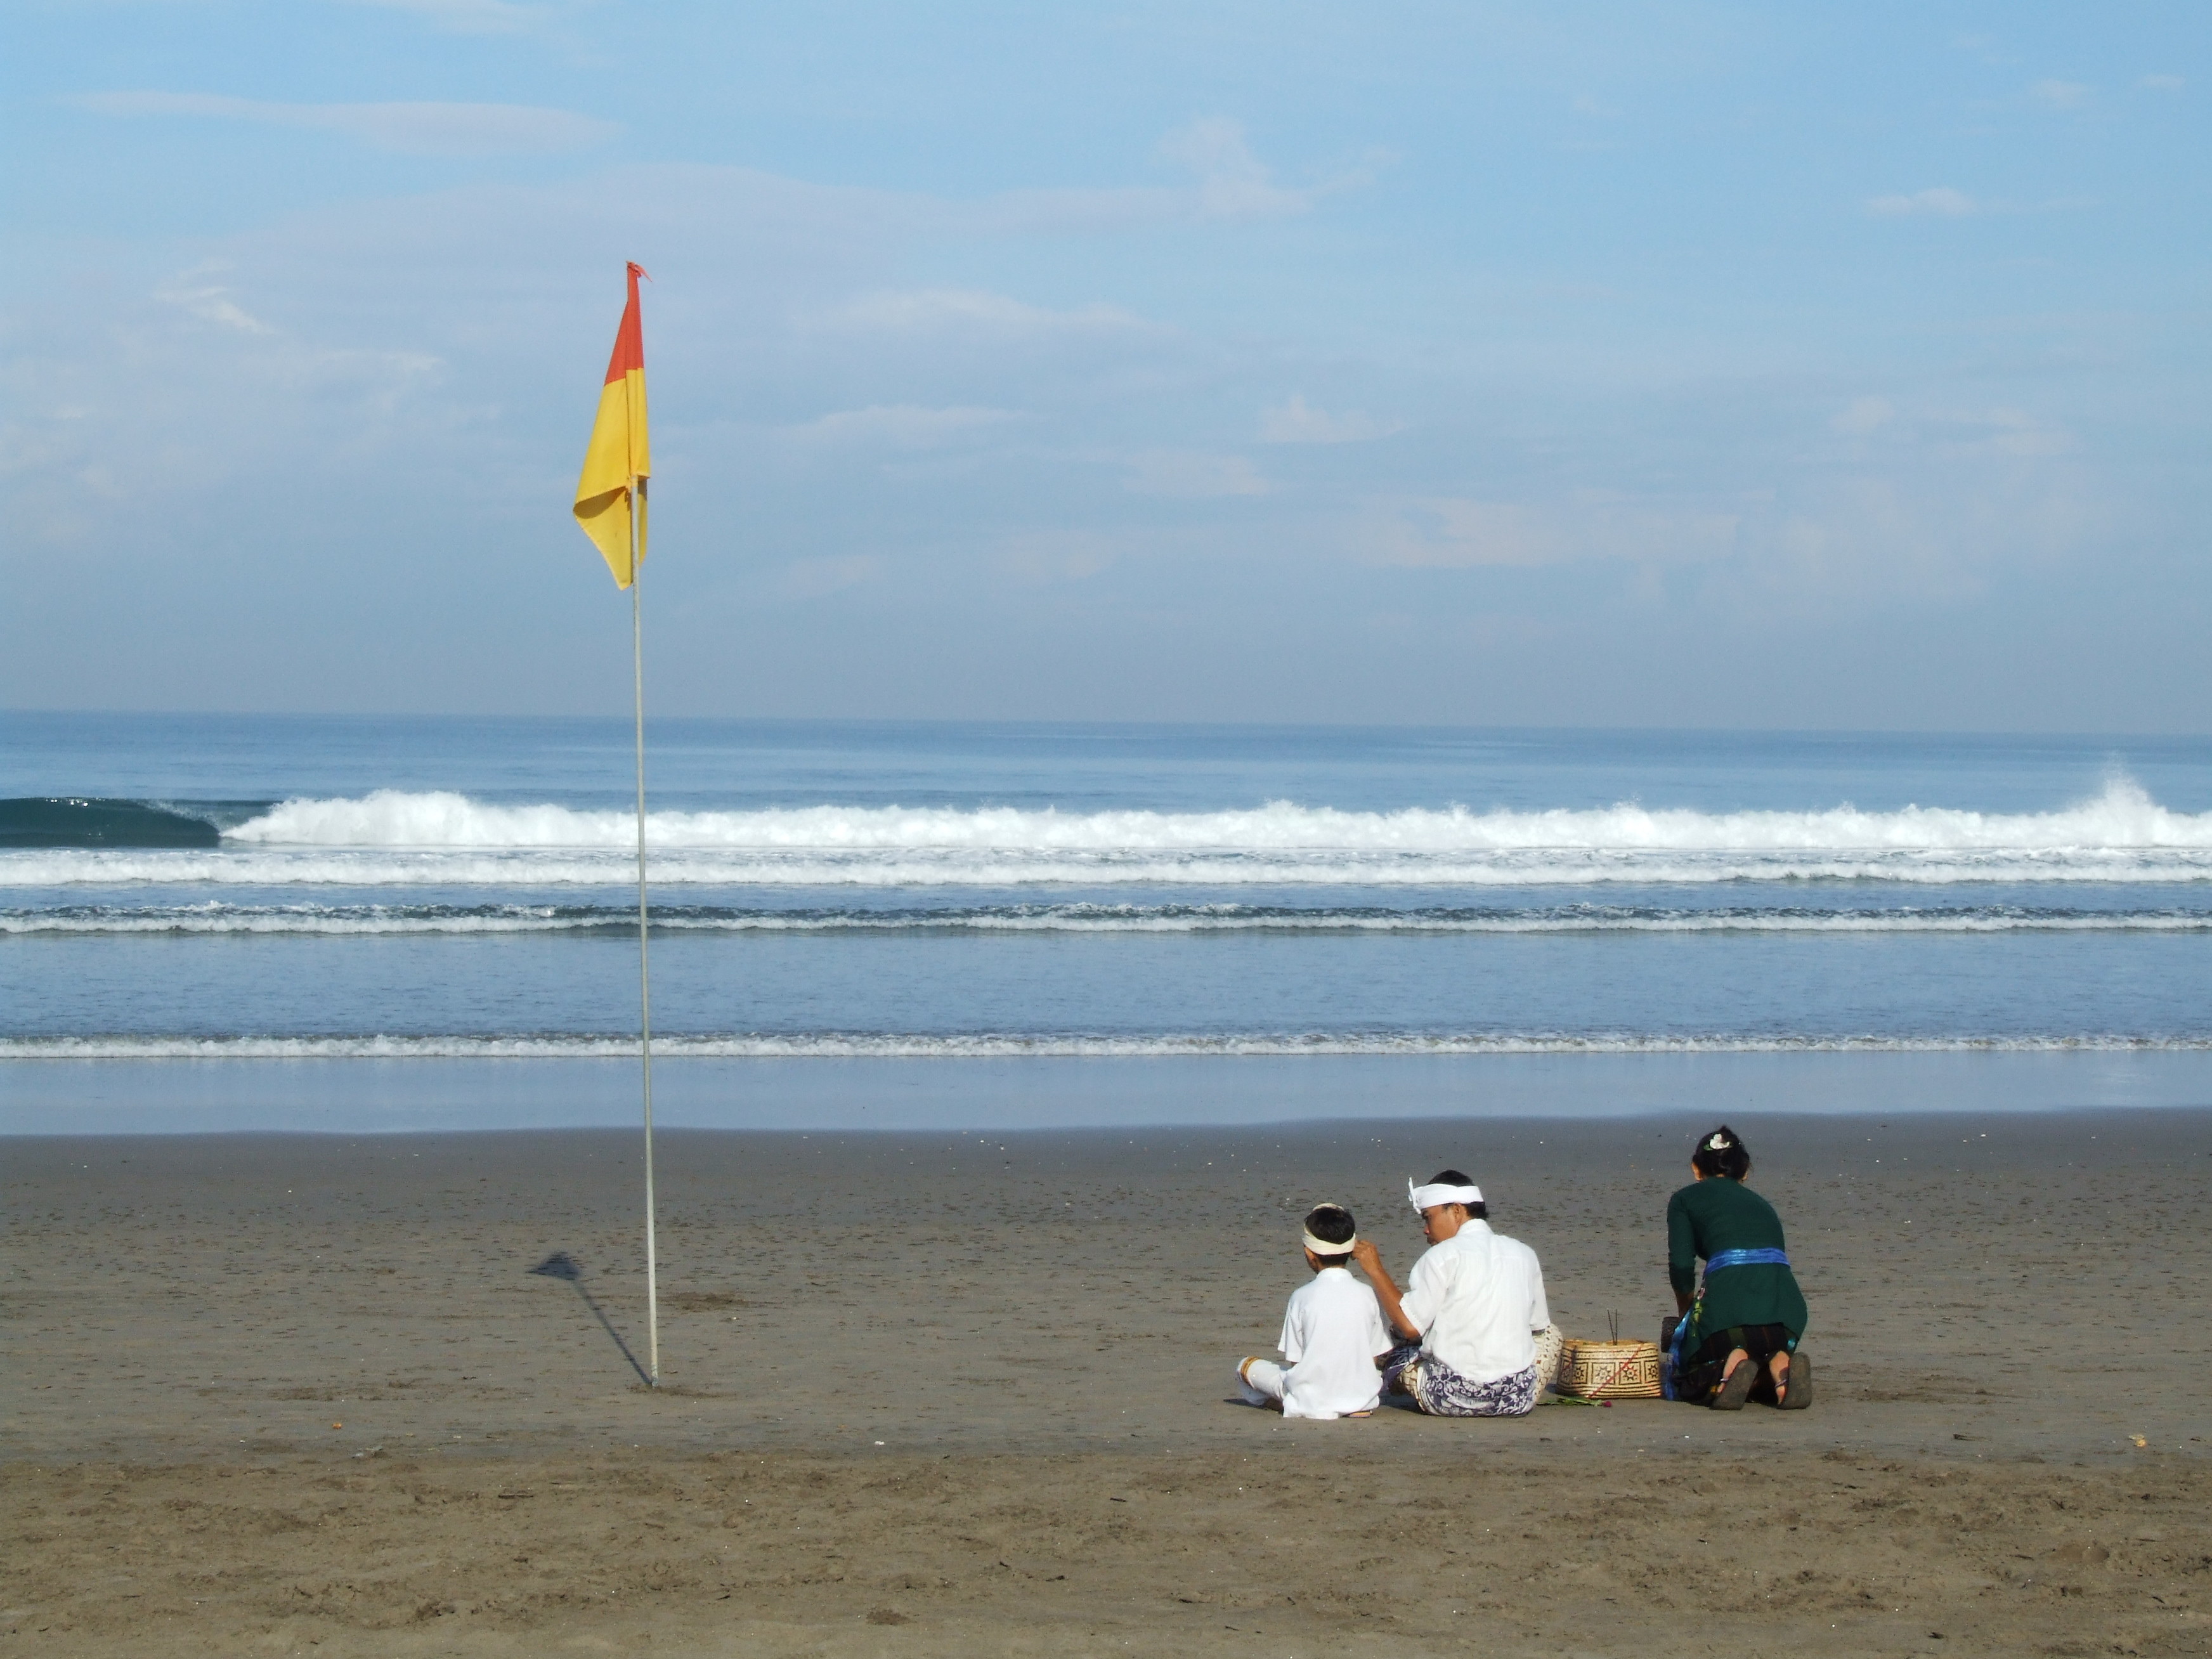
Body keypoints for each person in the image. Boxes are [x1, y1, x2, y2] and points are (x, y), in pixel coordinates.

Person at [1351, 1171, 1551, 1418]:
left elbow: (1410, 1327)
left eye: (1429, 1218)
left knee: (1397, 1345)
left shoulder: (1441, 1256)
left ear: (1456, 1211)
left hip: (1447, 1397)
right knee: (1551, 1334)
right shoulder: (1524, 1253)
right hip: (1516, 1398)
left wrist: (1376, 1270)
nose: (1426, 1230)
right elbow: (1538, 1325)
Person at [1666, 1125, 1811, 1410]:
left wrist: (1686, 1313)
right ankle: (1780, 1365)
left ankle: (1729, 1366)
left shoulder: (1684, 1200)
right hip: (1787, 1320)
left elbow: (1681, 1267)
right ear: (1744, 1172)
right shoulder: (1763, 1205)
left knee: (1689, 1372)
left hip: (1726, 1321)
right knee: (1763, 1346)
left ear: (1696, 1169)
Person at [1236, 1203, 1394, 1419]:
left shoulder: (1301, 1296)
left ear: (1310, 1253)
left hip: (1312, 1397)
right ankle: (1353, 1405)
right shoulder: (1369, 1294)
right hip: (1362, 1396)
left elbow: (1296, 1361)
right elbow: (1375, 1357)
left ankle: (1289, 1404)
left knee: (1245, 1367)